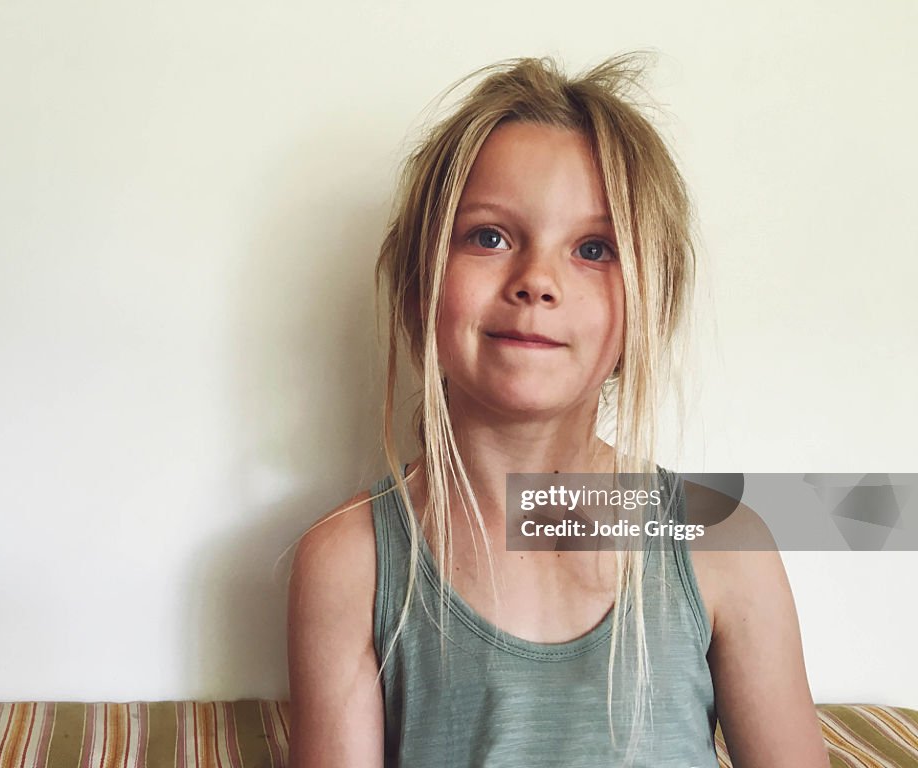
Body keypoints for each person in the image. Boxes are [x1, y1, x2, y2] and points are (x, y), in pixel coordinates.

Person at [286, 52, 830, 767]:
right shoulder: (350, 562)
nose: (537, 280)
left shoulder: (724, 544)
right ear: (420, 286)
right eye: (490, 236)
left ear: (645, 311)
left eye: (594, 248)